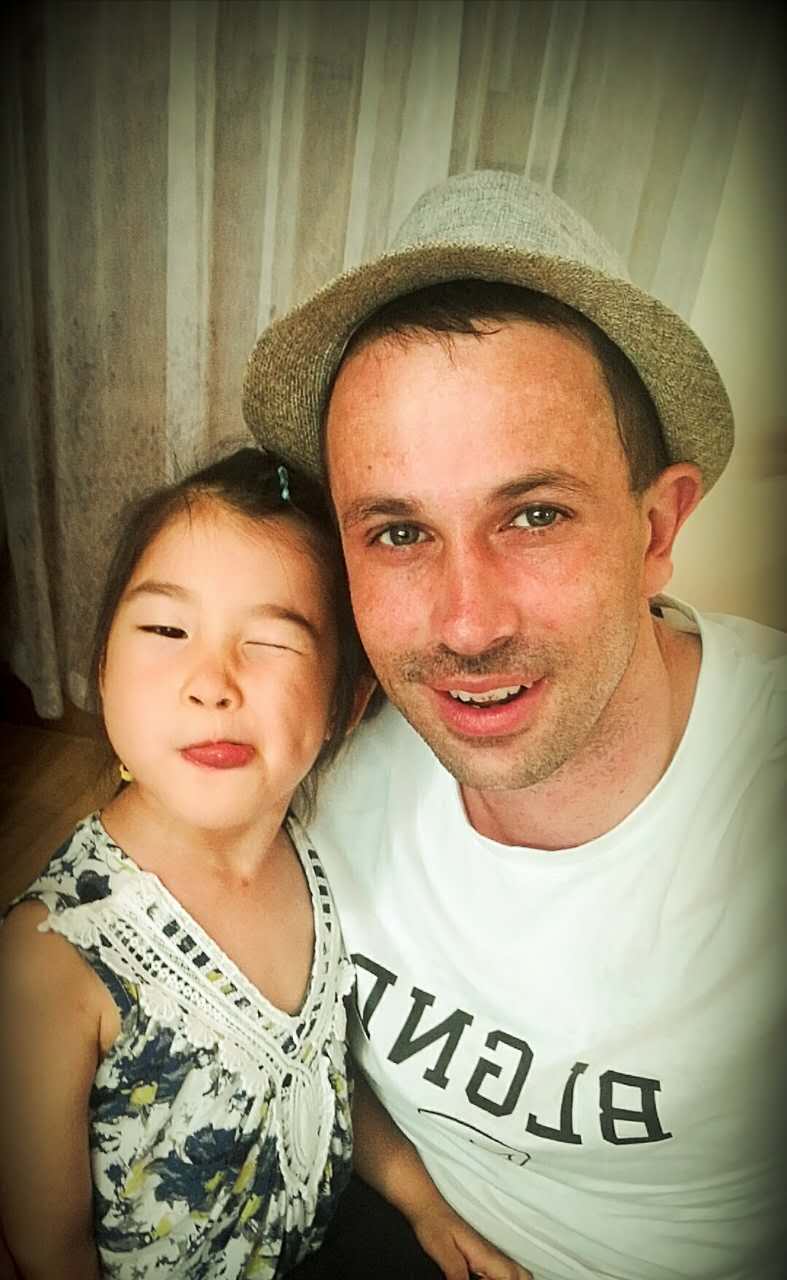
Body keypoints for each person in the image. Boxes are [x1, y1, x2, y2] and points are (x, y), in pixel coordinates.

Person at [241, 170, 787, 1279]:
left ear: (655, 527)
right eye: (398, 532)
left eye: (533, 515)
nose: (466, 624)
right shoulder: (319, 747)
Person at [0, 448, 528, 1280]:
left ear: (346, 705)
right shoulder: (54, 956)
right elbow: (46, 1248)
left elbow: (319, 1078)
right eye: (166, 631)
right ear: (102, 668)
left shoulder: (318, 859)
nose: (211, 682)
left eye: (271, 642)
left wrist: (422, 1203)